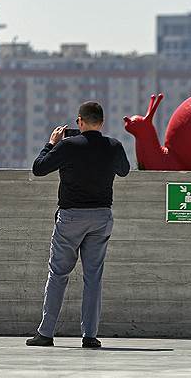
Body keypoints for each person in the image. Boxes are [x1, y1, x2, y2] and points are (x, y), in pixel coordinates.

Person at [26, 101, 130, 349]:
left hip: (71, 217)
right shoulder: (113, 146)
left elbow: (38, 169)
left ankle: (46, 333)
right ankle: (90, 336)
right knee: (93, 277)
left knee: (58, 274)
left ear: (80, 122)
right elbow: (124, 170)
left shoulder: (68, 145)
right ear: (102, 123)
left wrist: (51, 144)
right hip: (101, 217)